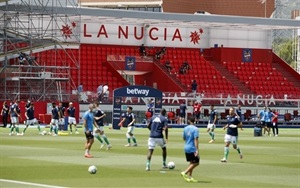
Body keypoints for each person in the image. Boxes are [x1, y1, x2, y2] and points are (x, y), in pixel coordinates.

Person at [181, 116, 199, 183]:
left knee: (191, 162)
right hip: (192, 148)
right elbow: (196, 139)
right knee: (196, 162)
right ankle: (185, 172)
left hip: (186, 147)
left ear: (189, 121)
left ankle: (190, 177)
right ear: (195, 120)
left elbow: (183, 138)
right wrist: (196, 150)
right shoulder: (195, 129)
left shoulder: (185, 128)